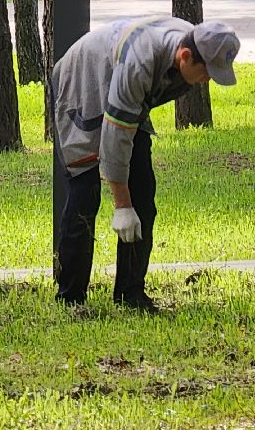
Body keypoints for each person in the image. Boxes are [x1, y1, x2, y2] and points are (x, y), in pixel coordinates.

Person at [50, 16, 241, 312]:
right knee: (84, 190)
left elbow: (128, 123)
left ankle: (130, 294)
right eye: (207, 72)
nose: (208, 80)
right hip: (82, 82)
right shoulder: (140, 61)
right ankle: (70, 298)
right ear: (186, 56)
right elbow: (115, 137)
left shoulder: (187, 47)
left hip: (124, 90)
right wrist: (122, 206)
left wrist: (132, 201)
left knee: (143, 195)